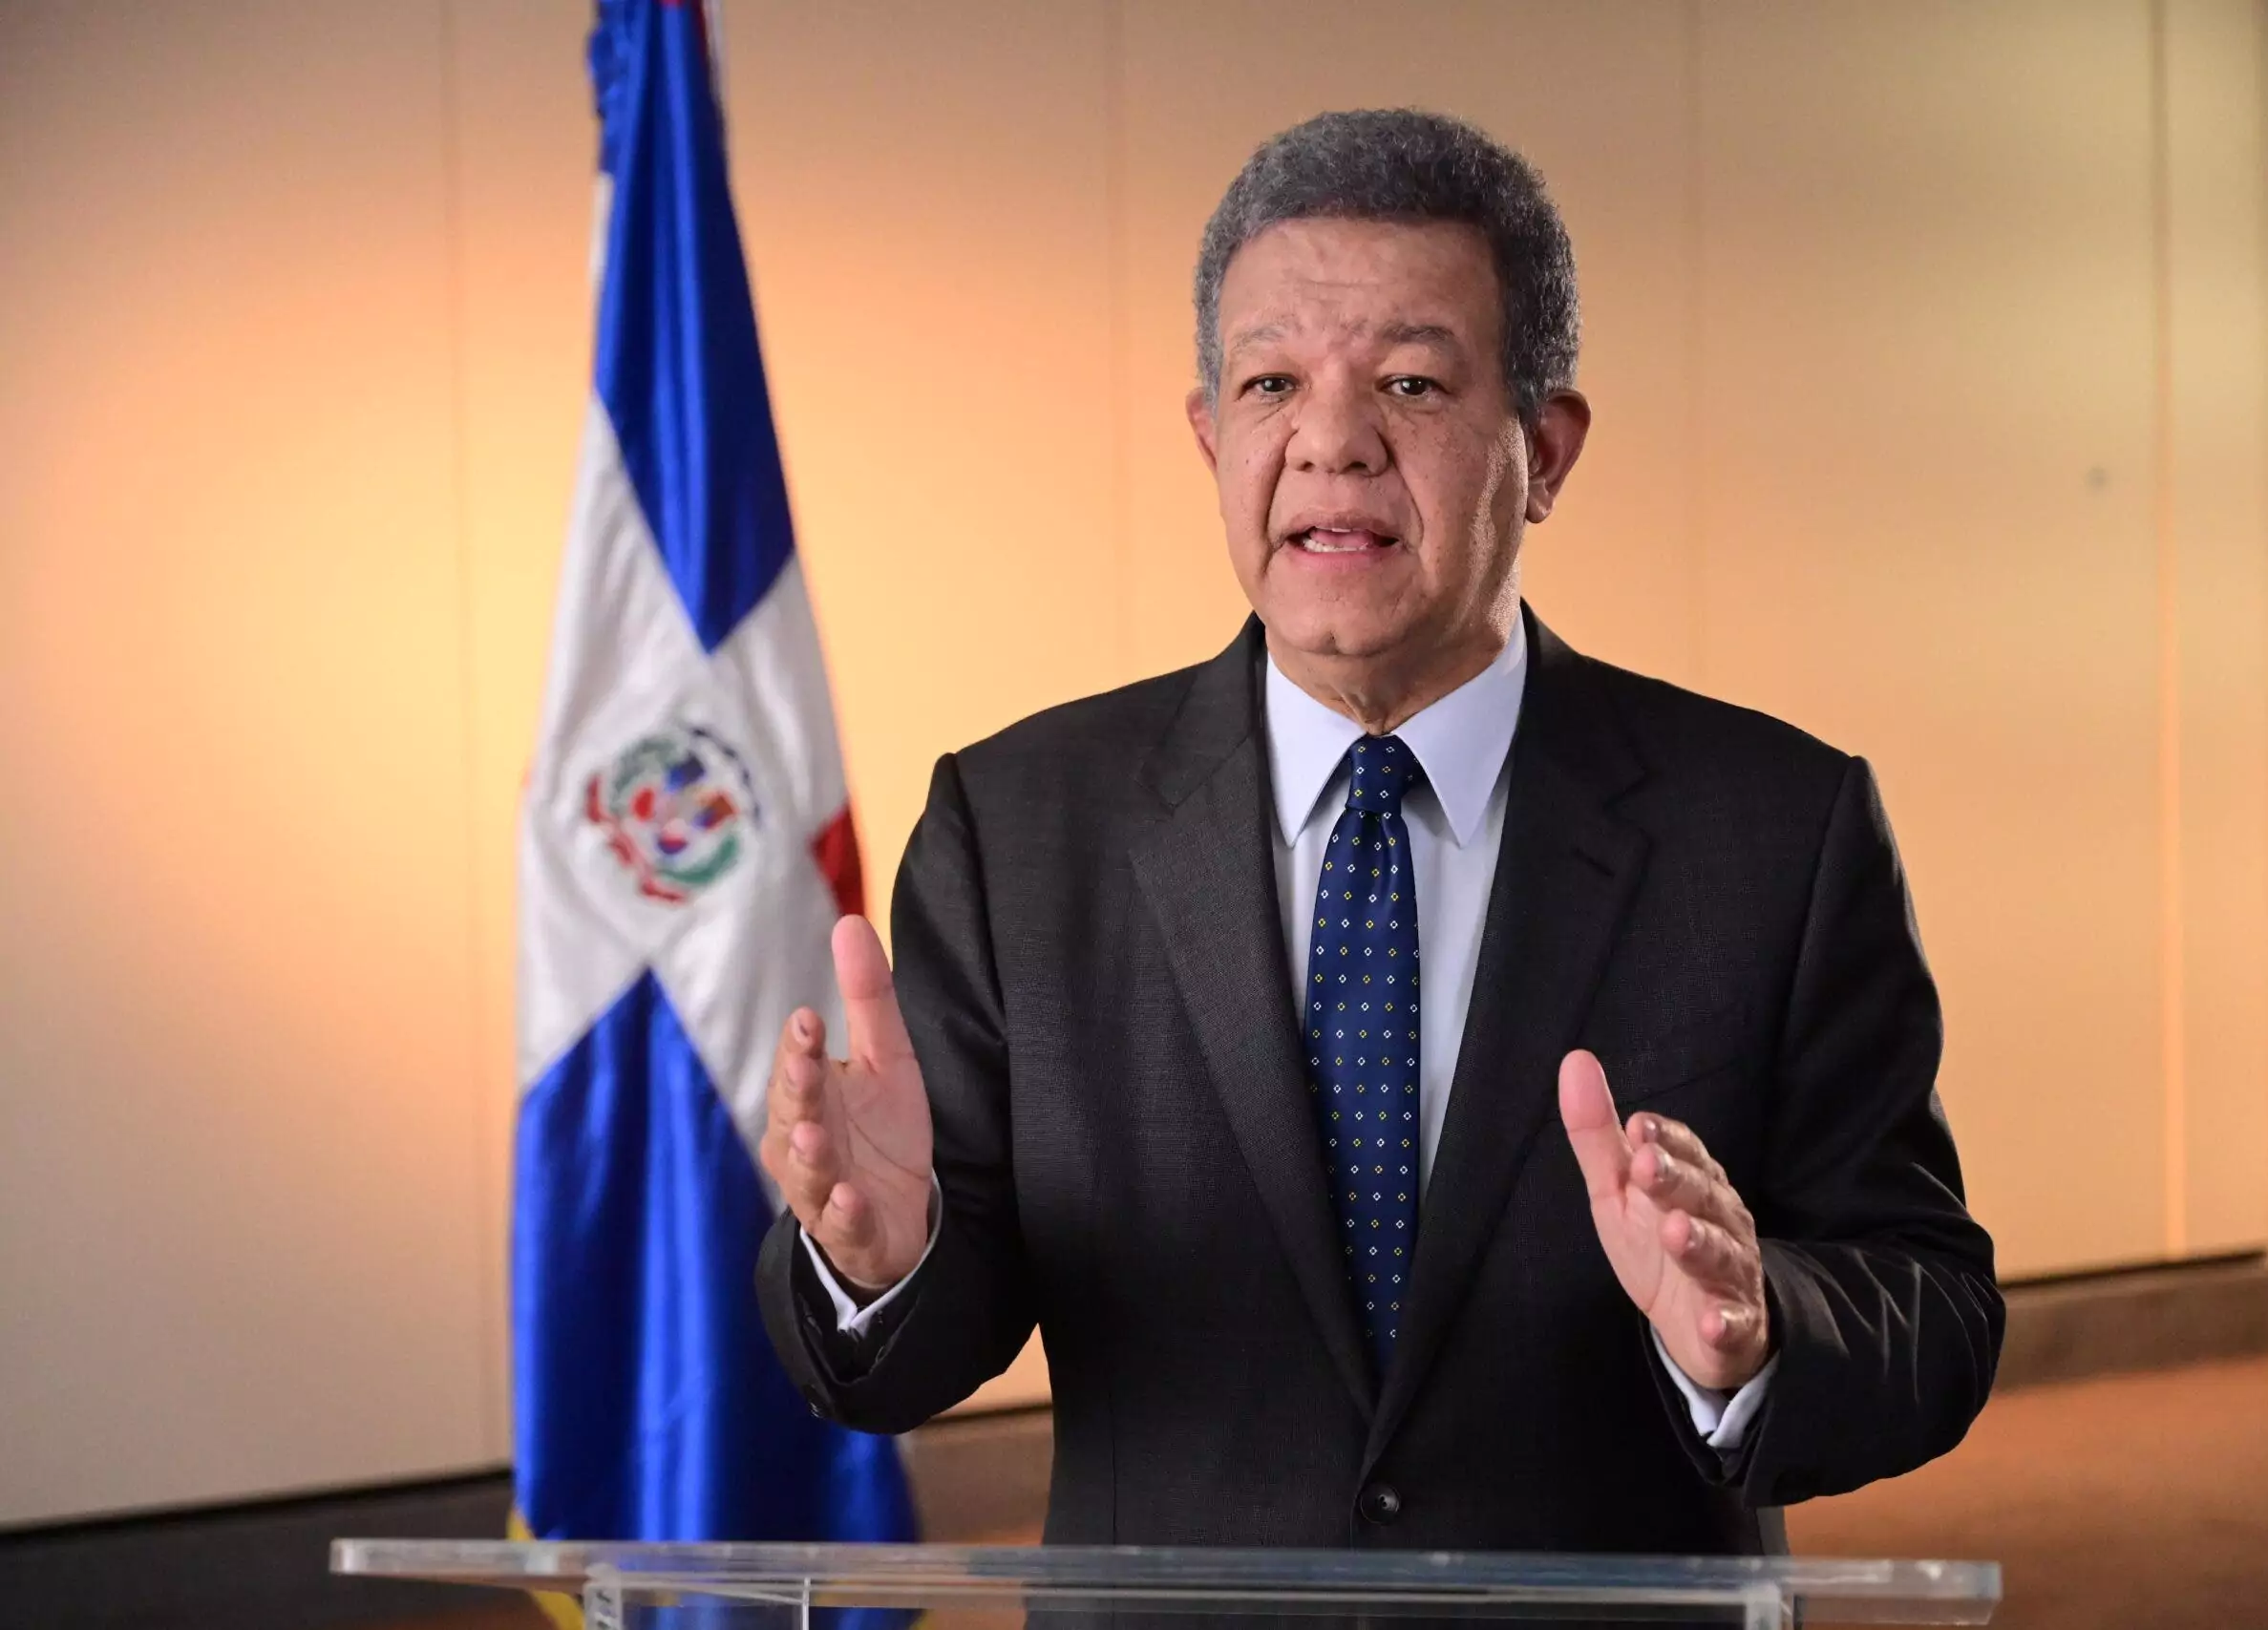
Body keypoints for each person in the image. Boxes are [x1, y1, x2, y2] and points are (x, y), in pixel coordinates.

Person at [753, 109, 2002, 1555]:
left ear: (1545, 452)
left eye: (1411, 381)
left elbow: (1930, 1303)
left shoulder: (1775, 827)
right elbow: (911, 1347)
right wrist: (883, 1262)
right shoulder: (1018, 827)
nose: (1331, 444)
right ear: (1212, 437)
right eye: (1272, 383)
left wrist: (1760, 1327)